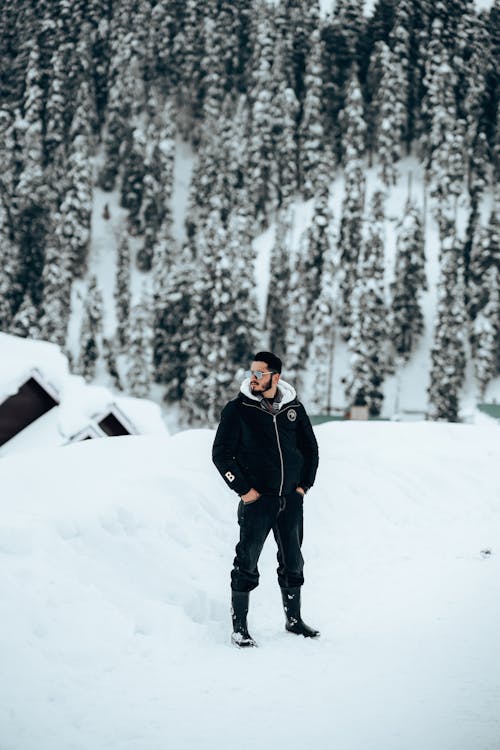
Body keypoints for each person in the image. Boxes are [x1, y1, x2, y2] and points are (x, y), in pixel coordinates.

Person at [212, 351, 320, 647]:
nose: (253, 378)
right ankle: (240, 628)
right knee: (246, 562)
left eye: (260, 373)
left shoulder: (293, 408)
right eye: (252, 372)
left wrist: (303, 486)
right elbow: (221, 455)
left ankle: (294, 620)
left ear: (276, 376)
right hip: (257, 501)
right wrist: (245, 491)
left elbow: (310, 449)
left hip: (291, 501)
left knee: (293, 561)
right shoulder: (238, 409)